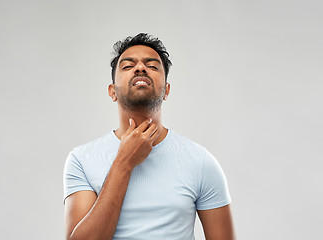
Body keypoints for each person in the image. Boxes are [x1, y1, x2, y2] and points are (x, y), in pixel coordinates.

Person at [63, 33, 236, 240]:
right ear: (112, 92)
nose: (140, 68)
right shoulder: (82, 160)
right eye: (127, 66)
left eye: (152, 66)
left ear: (166, 91)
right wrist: (124, 162)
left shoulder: (201, 161)